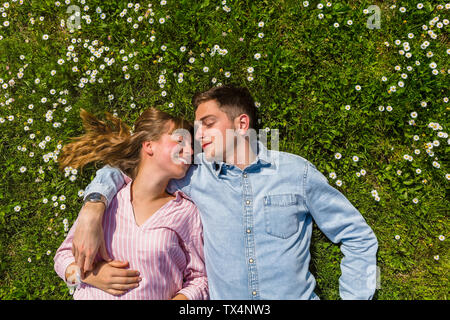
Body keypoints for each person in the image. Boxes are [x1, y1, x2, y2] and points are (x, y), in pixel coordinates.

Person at [71, 85, 378, 300]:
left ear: (241, 124)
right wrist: (92, 208)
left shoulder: (295, 173)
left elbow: (356, 235)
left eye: (208, 124)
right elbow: (127, 171)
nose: (197, 135)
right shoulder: (192, 175)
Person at [53, 107, 208, 300]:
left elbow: (200, 279)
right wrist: (89, 276)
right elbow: (62, 259)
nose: (191, 151)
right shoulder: (108, 201)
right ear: (149, 146)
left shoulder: (186, 212)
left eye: (191, 145)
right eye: (179, 141)